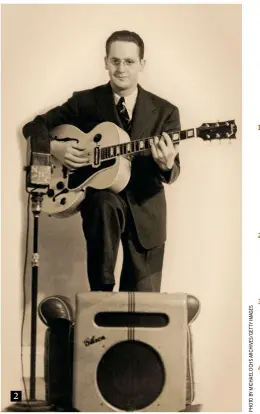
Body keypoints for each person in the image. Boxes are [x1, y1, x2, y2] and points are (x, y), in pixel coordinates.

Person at [22, 30, 181, 293]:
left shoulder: (165, 111)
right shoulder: (85, 102)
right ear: (105, 61)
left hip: (147, 211)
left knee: (143, 306)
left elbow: (173, 170)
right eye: (115, 61)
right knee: (101, 303)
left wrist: (166, 164)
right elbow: (35, 125)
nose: (121, 69)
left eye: (129, 62)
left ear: (142, 64)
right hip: (103, 210)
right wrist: (54, 147)